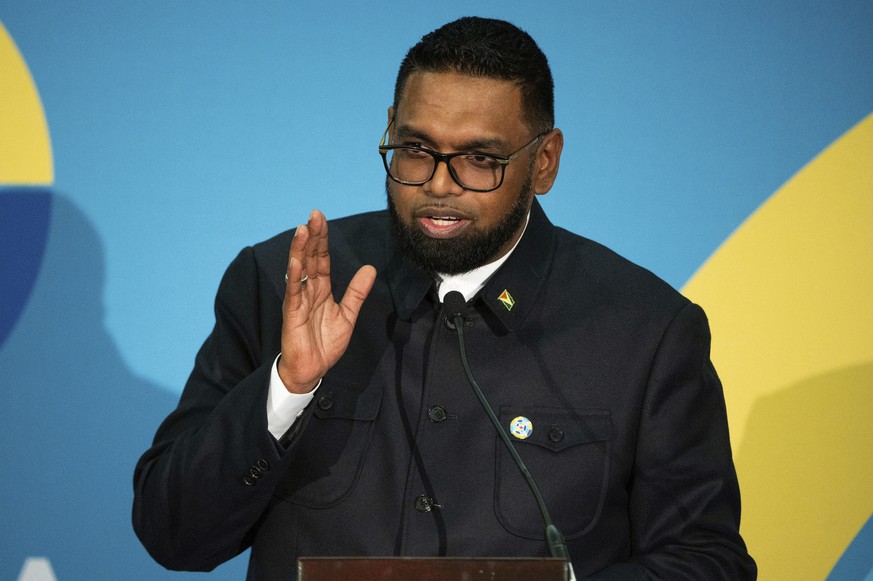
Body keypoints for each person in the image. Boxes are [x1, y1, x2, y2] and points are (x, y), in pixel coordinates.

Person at [133, 16, 756, 580]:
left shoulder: (645, 330)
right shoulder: (282, 283)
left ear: (544, 162)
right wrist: (286, 390)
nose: (437, 184)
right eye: (416, 150)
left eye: (480, 159)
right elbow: (172, 537)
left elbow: (707, 561)